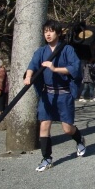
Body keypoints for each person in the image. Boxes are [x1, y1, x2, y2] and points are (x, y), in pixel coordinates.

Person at [24, 19, 85, 172]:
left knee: (67, 129)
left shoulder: (67, 49)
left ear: (58, 33)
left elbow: (75, 69)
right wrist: (28, 76)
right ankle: (46, 158)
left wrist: (54, 68)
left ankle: (79, 139)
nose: (48, 34)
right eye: (45, 31)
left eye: (51, 31)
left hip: (64, 94)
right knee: (44, 125)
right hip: (47, 94)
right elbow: (32, 65)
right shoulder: (41, 51)